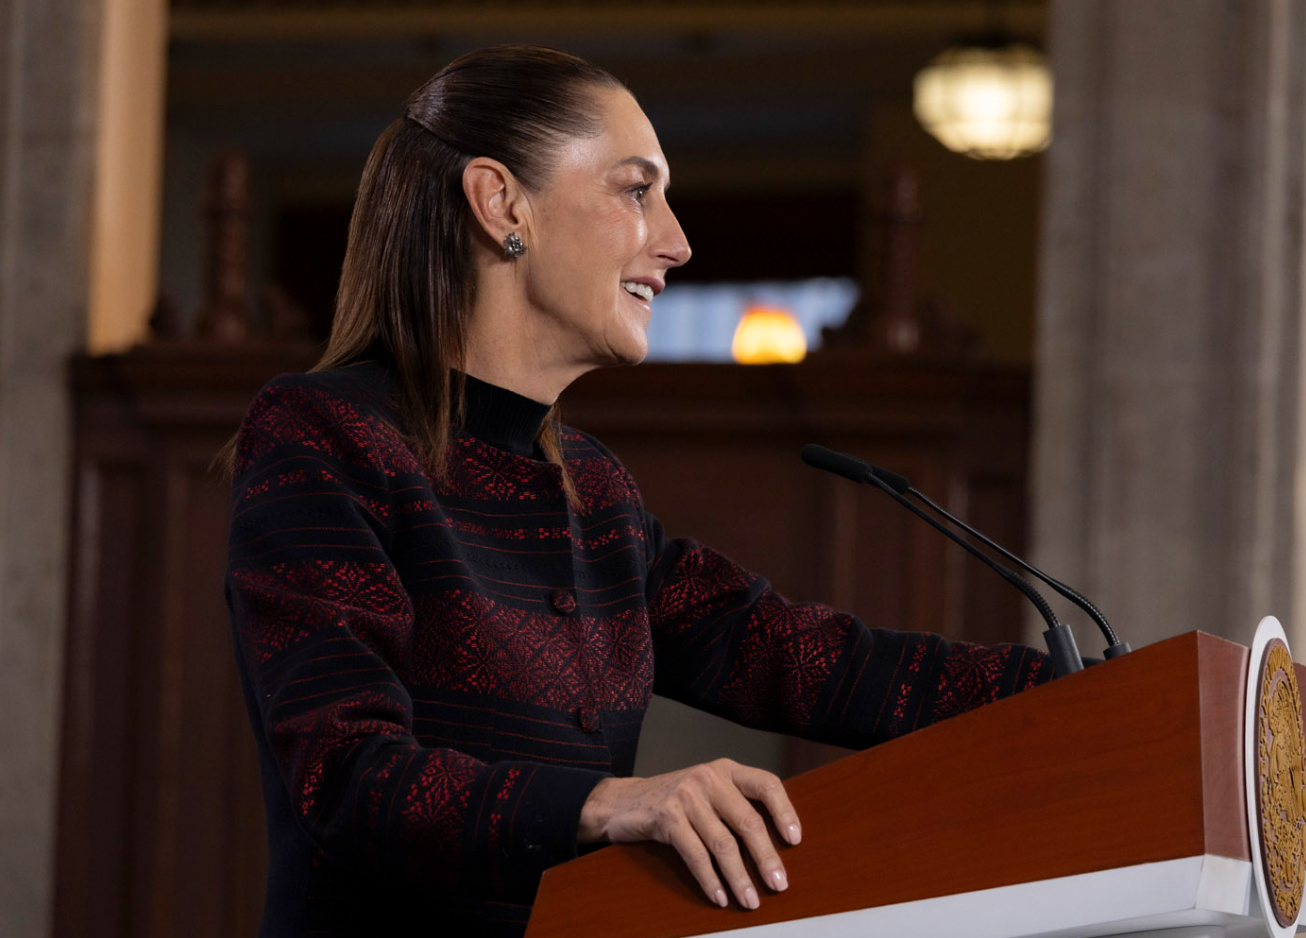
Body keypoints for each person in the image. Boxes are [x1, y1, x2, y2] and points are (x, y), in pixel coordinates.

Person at [221, 44, 1055, 938]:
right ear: (501, 203)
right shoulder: (323, 434)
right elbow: (346, 775)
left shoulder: (594, 490)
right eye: (635, 191)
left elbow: (799, 657)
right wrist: (609, 804)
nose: (677, 242)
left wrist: (1089, 686)